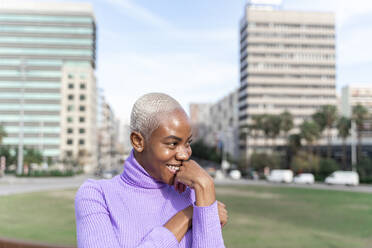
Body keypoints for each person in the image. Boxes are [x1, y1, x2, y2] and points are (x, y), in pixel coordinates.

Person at [75, 93, 227, 248]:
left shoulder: (193, 193)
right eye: (173, 144)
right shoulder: (96, 196)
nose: (184, 154)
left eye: (187, 143)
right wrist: (187, 216)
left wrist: (205, 188)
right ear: (138, 141)